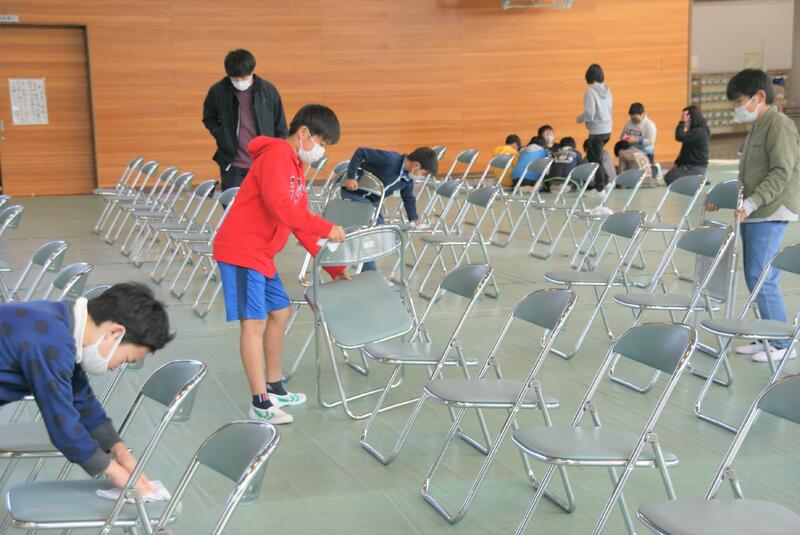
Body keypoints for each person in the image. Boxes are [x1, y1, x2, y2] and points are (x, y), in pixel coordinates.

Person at [212, 104, 348, 424]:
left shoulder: (295, 166)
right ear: (304, 133)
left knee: (280, 312)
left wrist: (335, 269)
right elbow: (280, 207)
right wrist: (327, 227)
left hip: (261, 254)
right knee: (254, 323)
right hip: (242, 250)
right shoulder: (276, 156)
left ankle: (274, 387)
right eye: (321, 142)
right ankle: (259, 402)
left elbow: (299, 223)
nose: (321, 151)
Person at [0, 283, 173, 492]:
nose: (114, 368)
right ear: (114, 333)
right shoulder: (51, 341)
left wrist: (120, 452)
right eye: (125, 359)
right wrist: (117, 473)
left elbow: (81, 398)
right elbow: (62, 422)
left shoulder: (60, 322)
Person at [707, 68, 800, 363]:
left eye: (739, 101)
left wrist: (752, 203)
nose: (738, 108)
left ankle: (783, 343)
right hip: (755, 210)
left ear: (759, 96)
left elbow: (781, 171)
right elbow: (747, 175)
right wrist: (725, 198)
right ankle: (767, 335)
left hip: (770, 210)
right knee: (754, 275)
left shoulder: (779, 124)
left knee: (761, 277)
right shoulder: (758, 126)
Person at [202, 49, 288, 191]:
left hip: (264, 163)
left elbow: (281, 126)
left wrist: (275, 154)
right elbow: (208, 117)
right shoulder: (218, 91)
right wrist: (222, 135)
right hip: (233, 165)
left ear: (252, 71)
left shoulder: (268, 90)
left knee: (264, 202)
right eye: (235, 79)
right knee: (233, 203)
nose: (239, 82)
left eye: (243, 78)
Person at [342, 146, 438, 269]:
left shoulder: (407, 180)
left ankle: (361, 259)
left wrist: (413, 218)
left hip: (372, 202)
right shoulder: (391, 159)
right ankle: (369, 269)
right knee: (369, 232)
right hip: (354, 194)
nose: (421, 177)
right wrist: (351, 177)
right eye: (423, 174)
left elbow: (408, 198)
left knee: (380, 231)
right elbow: (361, 152)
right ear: (416, 165)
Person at [577, 64, 613, 194]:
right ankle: (606, 182)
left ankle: (599, 188)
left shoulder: (590, 91)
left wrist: (580, 118)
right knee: (596, 157)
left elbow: (590, 113)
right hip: (607, 130)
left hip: (596, 131)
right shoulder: (607, 90)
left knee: (595, 160)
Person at [663, 105, 710, 185]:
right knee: (669, 175)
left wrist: (682, 122)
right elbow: (684, 150)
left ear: (691, 117)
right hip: (688, 166)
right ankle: (696, 179)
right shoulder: (694, 131)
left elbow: (679, 136)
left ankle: (697, 179)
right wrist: (676, 164)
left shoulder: (699, 131)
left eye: (684, 116)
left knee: (669, 178)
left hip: (695, 167)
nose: (683, 118)